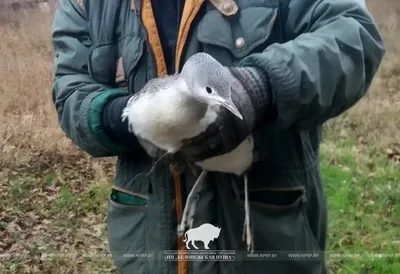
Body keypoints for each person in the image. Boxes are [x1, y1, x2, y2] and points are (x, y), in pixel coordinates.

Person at [51, 0, 385, 273]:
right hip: (147, 251)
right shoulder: (89, 4)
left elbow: (353, 35)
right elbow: (71, 91)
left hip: (268, 246)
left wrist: (262, 86)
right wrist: (130, 118)